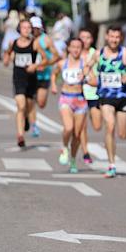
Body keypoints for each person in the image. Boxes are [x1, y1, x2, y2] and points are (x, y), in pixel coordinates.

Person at [92, 24, 126, 178]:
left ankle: (125, 129)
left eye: (117, 37)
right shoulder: (98, 54)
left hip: (122, 97)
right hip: (105, 96)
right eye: (112, 36)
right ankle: (111, 164)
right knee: (109, 126)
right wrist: (86, 76)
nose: (114, 40)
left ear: (121, 38)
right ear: (106, 37)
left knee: (122, 134)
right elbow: (87, 68)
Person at [3, 19, 49, 147]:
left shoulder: (34, 44)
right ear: (19, 29)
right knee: (20, 106)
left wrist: (36, 65)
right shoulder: (14, 43)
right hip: (18, 79)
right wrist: (6, 57)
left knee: (28, 106)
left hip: (31, 80)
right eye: (24, 28)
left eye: (29, 28)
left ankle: (27, 118)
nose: (26, 30)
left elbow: (46, 59)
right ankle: (20, 135)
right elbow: (6, 58)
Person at [52, 36, 88, 173]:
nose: (76, 50)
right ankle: (64, 147)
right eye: (73, 47)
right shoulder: (62, 63)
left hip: (80, 100)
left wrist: (87, 77)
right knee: (68, 128)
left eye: (78, 47)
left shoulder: (84, 65)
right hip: (66, 99)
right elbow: (54, 74)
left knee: (77, 134)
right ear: (69, 48)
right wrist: (54, 85)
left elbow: (94, 80)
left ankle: (73, 159)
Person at [29, 16, 59, 137]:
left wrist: (46, 64)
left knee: (41, 103)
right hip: (30, 75)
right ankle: (34, 125)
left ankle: (31, 113)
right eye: (32, 28)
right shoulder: (26, 40)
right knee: (30, 101)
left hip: (44, 75)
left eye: (36, 28)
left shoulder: (46, 40)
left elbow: (56, 56)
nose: (34, 30)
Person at [78, 28, 101, 164]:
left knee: (97, 126)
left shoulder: (96, 54)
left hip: (94, 92)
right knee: (82, 125)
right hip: (79, 93)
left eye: (87, 37)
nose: (84, 40)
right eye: (82, 37)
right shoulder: (75, 52)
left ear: (91, 39)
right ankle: (85, 152)